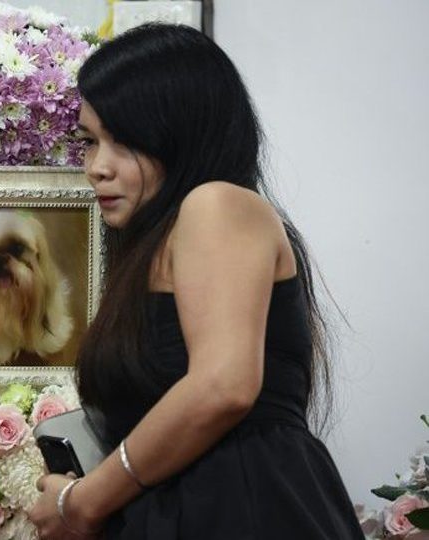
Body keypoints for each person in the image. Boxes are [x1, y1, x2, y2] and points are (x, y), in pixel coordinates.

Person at [29, 23, 363, 539]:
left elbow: (223, 386)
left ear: (180, 133)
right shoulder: (153, 246)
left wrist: (82, 502)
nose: (96, 166)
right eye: (89, 141)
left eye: (124, 140)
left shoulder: (216, 203)